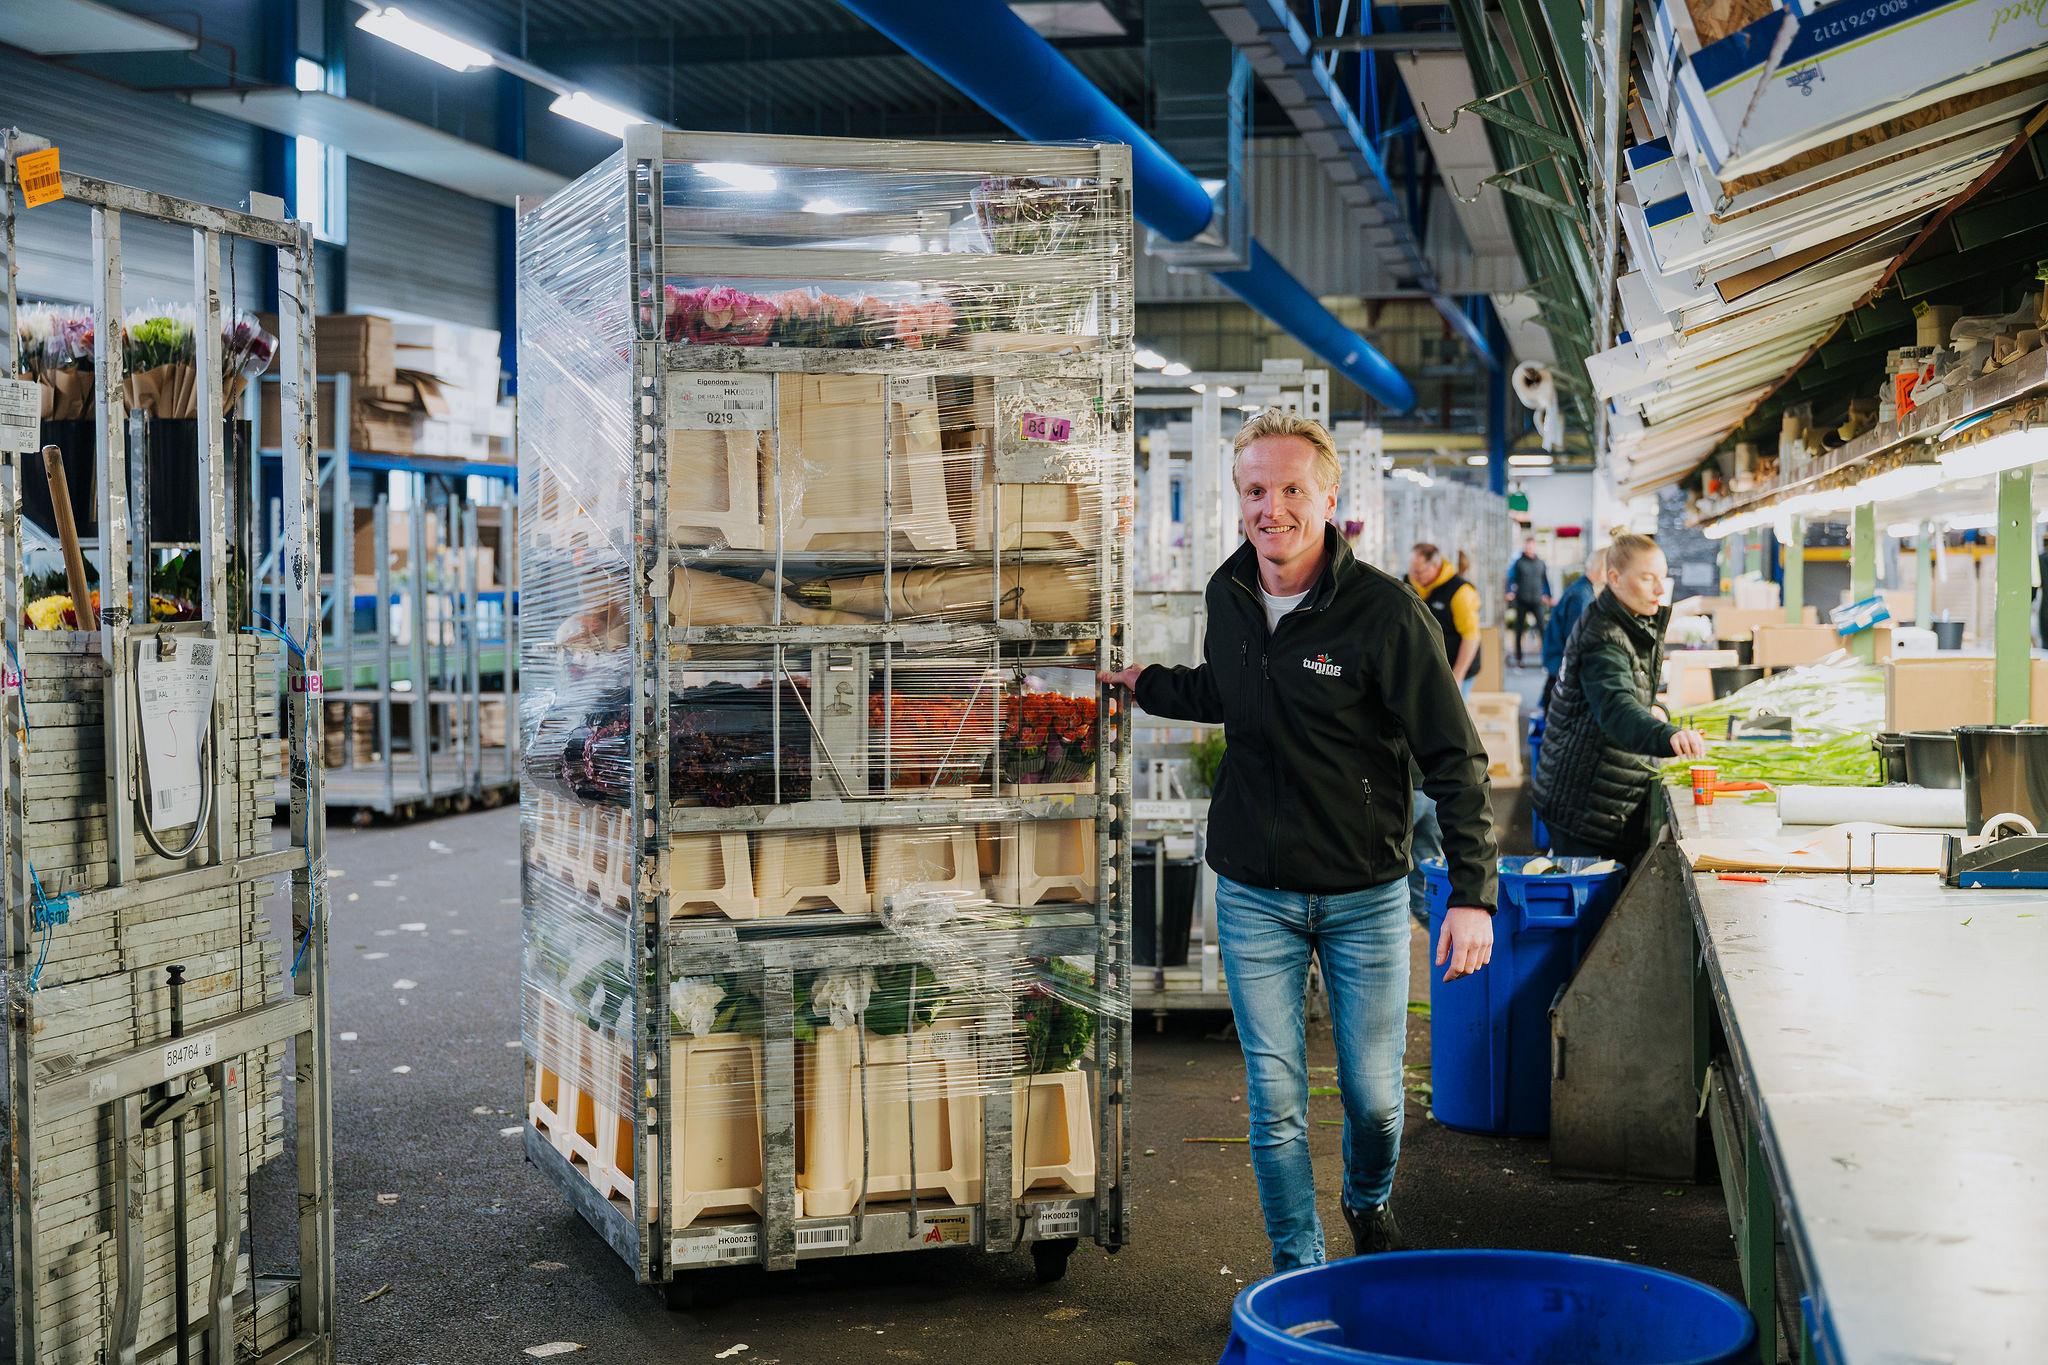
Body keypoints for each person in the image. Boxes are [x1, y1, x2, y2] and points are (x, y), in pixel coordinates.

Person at [1101, 408, 1498, 1273]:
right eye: (1253, 489)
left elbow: (1454, 758)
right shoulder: (1227, 594)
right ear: (1236, 496)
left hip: (1363, 892)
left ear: (1329, 495)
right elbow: (1234, 692)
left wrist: (1472, 893)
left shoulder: (1387, 614)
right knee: (1275, 1099)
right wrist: (1148, 685)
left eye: (1289, 489)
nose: (1269, 507)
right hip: (1253, 890)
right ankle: (1300, 1272)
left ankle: (1366, 1195)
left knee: (1374, 1097)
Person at [1531, 532, 1709, 869]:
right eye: (1647, 579)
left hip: (1600, 796)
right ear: (1614, 578)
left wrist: (1653, 711)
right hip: (1586, 804)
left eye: (1663, 579)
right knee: (1589, 914)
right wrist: (1667, 735)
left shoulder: (1628, 623)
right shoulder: (1604, 636)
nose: (1660, 590)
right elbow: (1617, 709)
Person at [1406, 543, 1481, 696]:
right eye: (1412, 570)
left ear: (1435, 566)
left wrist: (1457, 676)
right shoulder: (1410, 581)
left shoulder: (1460, 591)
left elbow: (1471, 637)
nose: (1415, 576)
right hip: (1426, 668)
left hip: (1455, 667)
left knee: (1452, 717)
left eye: (1420, 572)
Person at [1540, 546, 1607, 711]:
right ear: (1602, 568)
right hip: (1560, 664)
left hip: (1558, 663)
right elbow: (1575, 636)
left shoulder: (1583, 588)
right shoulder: (1582, 595)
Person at [1505, 537, 1552, 667]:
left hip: (1537, 600)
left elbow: (1545, 580)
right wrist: (1509, 591)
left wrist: (1548, 595)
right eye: (1527, 546)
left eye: (1531, 546)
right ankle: (1519, 659)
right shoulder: (1519, 562)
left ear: (1535, 546)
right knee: (1519, 629)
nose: (1529, 548)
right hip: (1522, 600)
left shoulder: (1540, 563)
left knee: (1543, 629)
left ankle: (1546, 658)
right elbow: (1511, 577)